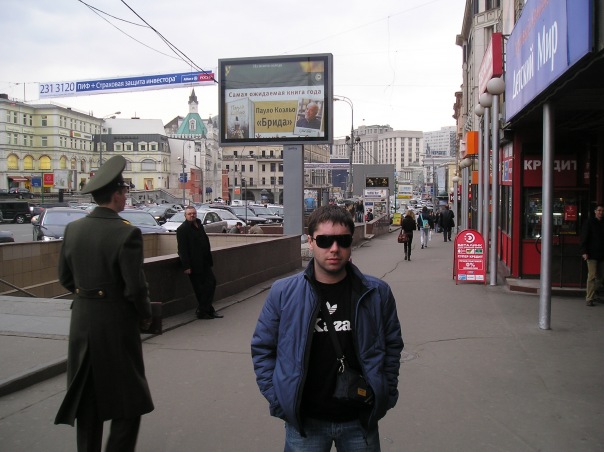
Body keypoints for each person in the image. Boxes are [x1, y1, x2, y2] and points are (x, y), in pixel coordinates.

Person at [251, 205, 403, 451]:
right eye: (324, 240)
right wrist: (278, 399)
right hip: (305, 423)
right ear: (310, 241)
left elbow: (392, 346)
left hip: (359, 419)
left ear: (351, 242)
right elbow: (263, 348)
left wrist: (386, 393)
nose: (334, 248)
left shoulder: (377, 293)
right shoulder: (283, 293)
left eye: (343, 240)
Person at [54, 155, 154, 452]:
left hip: (82, 323)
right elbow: (135, 288)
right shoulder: (126, 232)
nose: (126, 197)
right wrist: (145, 315)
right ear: (117, 194)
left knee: (87, 399)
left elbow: (65, 278)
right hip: (115, 325)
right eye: (125, 191)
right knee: (130, 399)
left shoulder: (73, 229)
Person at [176, 206, 223, 319]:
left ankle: (204, 309)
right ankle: (206, 310)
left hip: (205, 261)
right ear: (185, 216)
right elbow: (182, 249)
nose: (192, 215)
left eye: (193, 213)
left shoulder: (199, 225)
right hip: (193, 264)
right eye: (189, 214)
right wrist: (186, 266)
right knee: (200, 288)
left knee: (211, 283)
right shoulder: (182, 229)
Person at [580, 204, 604, 306]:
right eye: (599, 210)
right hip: (591, 253)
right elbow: (584, 237)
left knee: (601, 277)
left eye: (602, 211)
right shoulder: (589, 222)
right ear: (595, 211)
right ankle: (589, 298)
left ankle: (594, 293)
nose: (601, 212)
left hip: (602, 254)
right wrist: (584, 251)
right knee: (592, 276)